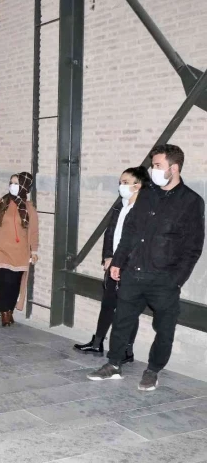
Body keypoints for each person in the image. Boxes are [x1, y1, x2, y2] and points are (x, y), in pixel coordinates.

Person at [88, 145, 205, 391]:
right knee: (122, 321)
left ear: (174, 168)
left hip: (164, 279)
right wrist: (118, 261)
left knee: (164, 328)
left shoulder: (191, 202)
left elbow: (193, 247)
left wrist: (176, 280)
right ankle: (114, 364)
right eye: (153, 166)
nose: (153, 170)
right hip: (134, 273)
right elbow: (130, 231)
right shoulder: (146, 195)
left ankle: (153, 370)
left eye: (158, 165)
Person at [74, 166, 149, 361]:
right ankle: (97, 343)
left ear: (138, 185)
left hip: (130, 267)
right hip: (113, 264)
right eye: (120, 182)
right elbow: (110, 233)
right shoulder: (120, 206)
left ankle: (127, 350)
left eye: (125, 182)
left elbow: (140, 243)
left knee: (128, 309)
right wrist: (108, 257)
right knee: (107, 304)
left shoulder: (144, 210)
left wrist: (125, 263)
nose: (121, 186)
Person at [0, 172, 39, 327]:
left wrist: (34, 251)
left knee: (14, 283)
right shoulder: (0, 203)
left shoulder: (29, 208)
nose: (12, 186)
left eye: (16, 183)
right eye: (11, 182)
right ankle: (4, 312)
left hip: (20, 252)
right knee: (3, 280)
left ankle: (10, 310)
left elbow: (33, 231)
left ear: (24, 186)